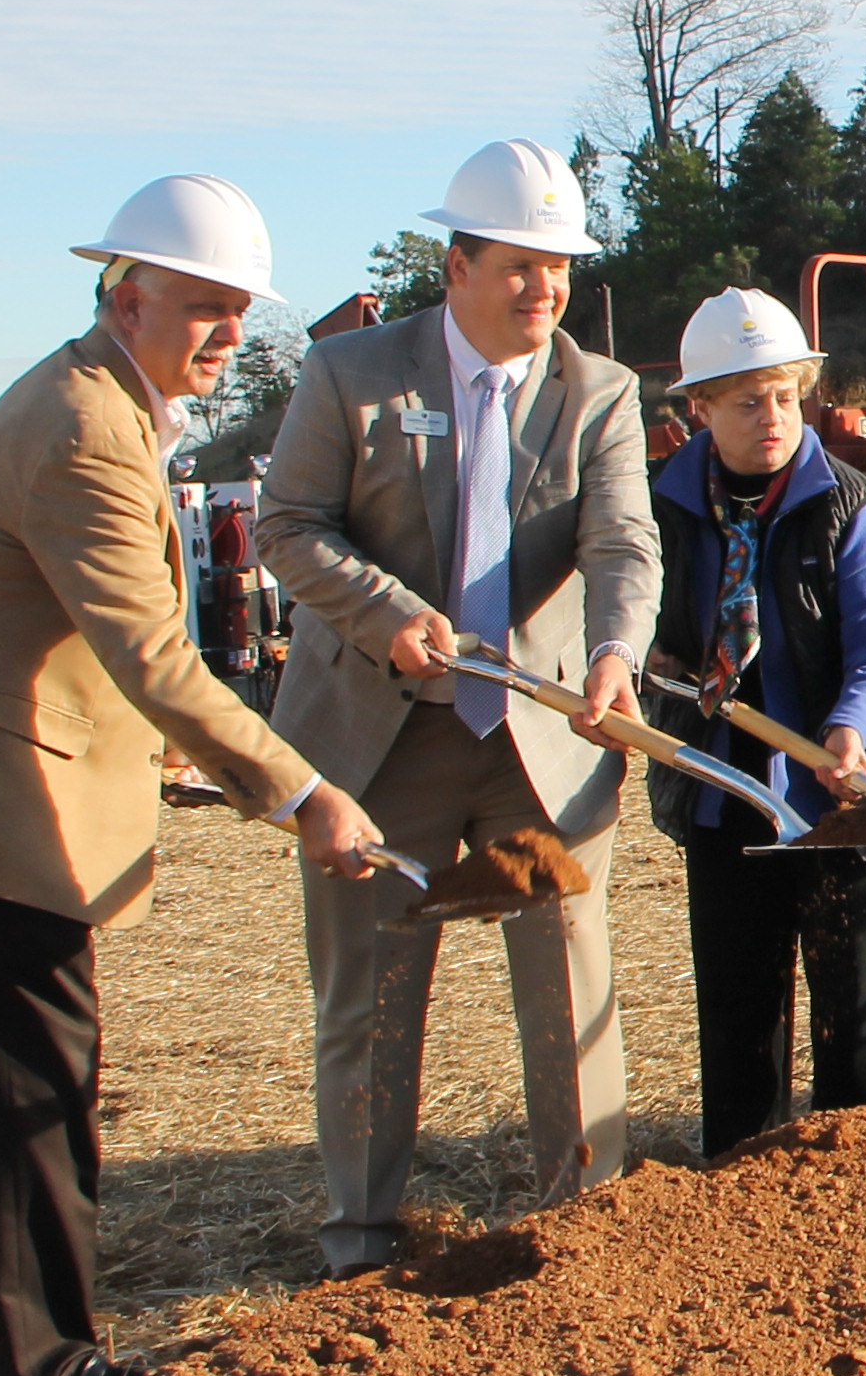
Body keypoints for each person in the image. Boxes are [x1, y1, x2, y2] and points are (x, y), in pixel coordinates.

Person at [0, 176, 385, 1376]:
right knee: (34, 1080)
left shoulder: (99, 400)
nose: (224, 336)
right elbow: (151, 652)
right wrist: (302, 792)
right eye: (201, 308)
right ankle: (46, 1371)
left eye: (238, 315)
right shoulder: (85, 429)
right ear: (125, 296)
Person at [254, 138, 659, 1275]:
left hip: (539, 736)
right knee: (370, 995)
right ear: (457, 267)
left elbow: (623, 539)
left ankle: (582, 1227)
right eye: (520, 267)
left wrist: (616, 650)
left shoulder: (600, 392)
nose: (544, 291)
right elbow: (287, 524)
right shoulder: (351, 376)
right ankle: (362, 1238)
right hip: (380, 741)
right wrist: (384, 613)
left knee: (571, 984)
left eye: (561, 269)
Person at [646, 287, 866, 1147]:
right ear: (699, 408)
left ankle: (856, 1175)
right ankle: (740, 1182)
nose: (772, 418)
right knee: (737, 1013)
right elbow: (634, 623)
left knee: (853, 1019)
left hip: (843, 796)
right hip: (723, 793)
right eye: (746, 402)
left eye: (784, 396)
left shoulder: (848, 505)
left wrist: (848, 728)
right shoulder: (663, 508)